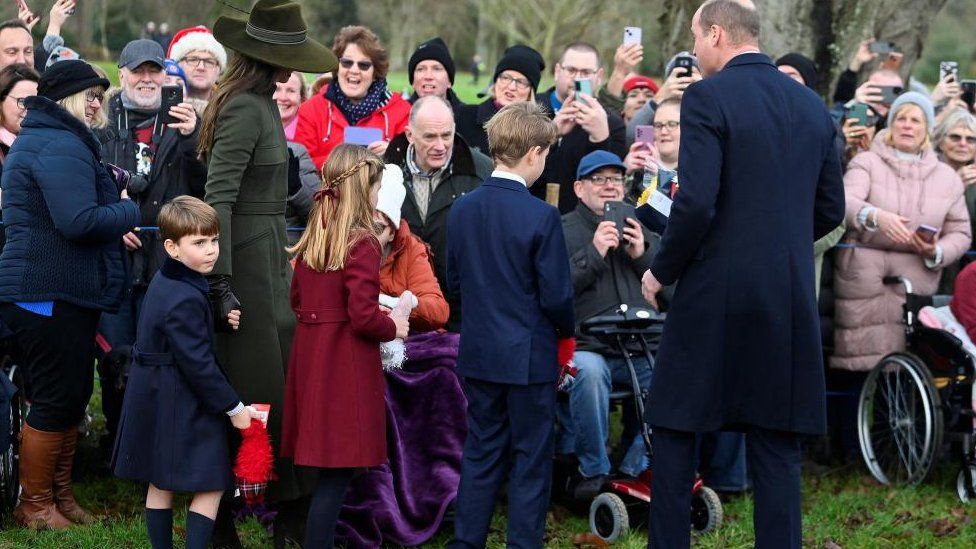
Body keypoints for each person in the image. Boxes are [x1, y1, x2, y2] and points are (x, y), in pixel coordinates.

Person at [639, 2, 845, 547]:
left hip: (713, 293)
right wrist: (776, 242)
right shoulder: (810, 106)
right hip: (787, 292)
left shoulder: (707, 96)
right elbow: (829, 209)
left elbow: (698, 202)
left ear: (715, 34)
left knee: (677, 425)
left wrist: (662, 270)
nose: (696, 51)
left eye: (696, 38)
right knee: (775, 438)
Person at [199, 1, 338, 545]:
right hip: (248, 267)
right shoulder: (244, 109)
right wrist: (220, 280)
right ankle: (238, 516)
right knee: (259, 390)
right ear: (266, 56)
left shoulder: (253, 103)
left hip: (267, 257)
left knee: (277, 387)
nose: (296, 71)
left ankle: (285, 515)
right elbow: (220, 197)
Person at [0, 59, 138, 530]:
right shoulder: (59, 143)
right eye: (90, 94)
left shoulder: (61, 139)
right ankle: (36, 506)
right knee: (57, 397)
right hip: (45, 291)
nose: (97, 101)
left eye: (101, 93)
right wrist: (127, 211)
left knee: (74, 392)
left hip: (64, 289)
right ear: (66, 99)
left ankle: (61, 496)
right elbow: (78, 221)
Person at [446, 102, 575, 548]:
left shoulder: (463, 210)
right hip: (528, 357)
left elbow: (454, 282)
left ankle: (467, 542)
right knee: (531, 458)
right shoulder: (541, 216)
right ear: (535, 154)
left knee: (480, 453)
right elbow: (557, 295)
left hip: (480, 351)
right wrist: (566, 333)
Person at [282, 145, 410, 548]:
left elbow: (298, 300)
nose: (378, 196)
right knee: (337, 473)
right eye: (375, 187)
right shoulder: (364, 242)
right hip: (343, 365)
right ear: (363, 189)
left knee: (327, 470)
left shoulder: (316, 232)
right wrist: (396, 324)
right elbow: (364, 315)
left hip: (312, 356)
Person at [112, 196, 257, 549]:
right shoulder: (185, 297)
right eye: (199, 243)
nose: (211, 251)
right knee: (212, 482)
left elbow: (176, 333)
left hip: (154, 392)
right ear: (172, 247)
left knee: (160, 482)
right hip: (180, 399)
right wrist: (235, 409)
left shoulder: (169, 281)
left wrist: (215, 320)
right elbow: (199, 365)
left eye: (214, 240)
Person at [93, 39, 202, 451]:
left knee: (159, 354)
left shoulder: (184, 122)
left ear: (166, 75)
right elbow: (85, 182)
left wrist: (192, 139)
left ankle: (157, 445)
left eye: (154, 70)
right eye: (137, 70)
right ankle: (117, 442)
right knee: (114, 357)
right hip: (112, 260)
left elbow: (204, 185)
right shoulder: (100, 121)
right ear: (121, 75)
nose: (146, 78)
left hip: (165, 262)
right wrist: (110, 220)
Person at [832, 93, 972, 371]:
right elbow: (844, 200)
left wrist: (937, 251)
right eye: (901, 118)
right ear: (891, 125)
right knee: (859, 366)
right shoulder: (867, 162)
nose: (908, 126)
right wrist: (874, 216)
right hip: (864, 277)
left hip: (916, 279)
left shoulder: (947, 178)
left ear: (927, 130)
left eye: (916, 120)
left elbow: (961, 232)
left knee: (911, 370)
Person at [558, 150, 655, 497]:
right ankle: (594, 473)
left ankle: (634, 470)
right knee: (588, 372)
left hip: (640, 347)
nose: (609, 187)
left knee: (676, 373)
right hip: (586, 347)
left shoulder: (639, 225)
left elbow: (672, 287)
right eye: (598, 180)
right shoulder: (562, 229)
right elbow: (553, 291)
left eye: (615, 178)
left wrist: (642, 253)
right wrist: (593, 254)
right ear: (579, 188)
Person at [384, 96, 492, 331]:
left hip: (463, 310)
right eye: (430, 137)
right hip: (401, 308)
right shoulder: (383, 172)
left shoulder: (482, 172)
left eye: (446, 135)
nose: (440, 145)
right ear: (410, 135)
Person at [294, 25, 411, 170]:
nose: (354, 70)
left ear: (375, 73)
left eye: (363, 65)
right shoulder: (311, 110)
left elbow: (414, 162)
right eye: (347, 62)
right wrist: (351, 160)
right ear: (337, 67)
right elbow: (303, 166)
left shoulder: (402, 111)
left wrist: (392, 152)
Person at [536, 42, 627, 213]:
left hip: (579, 221)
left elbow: (608, 185)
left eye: (585, 73)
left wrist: (600, 139)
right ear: (557, 71)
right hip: (532, 209)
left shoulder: (612, 123)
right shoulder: (531, 109)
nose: (577, 78)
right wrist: (551, 134)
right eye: (571, 70)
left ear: (599, 76)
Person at [374, 165, 449, 331]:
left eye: (377, 229)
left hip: (407, 343)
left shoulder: (410, 249)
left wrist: (397, 304)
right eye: (360, 226)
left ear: (392, 232)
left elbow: (438, 310)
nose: (368, 236)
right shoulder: (339, 248)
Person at [455, 44, 545, 155]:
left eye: (521, 82)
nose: (511, 87)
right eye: (506, 78)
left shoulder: (537, 132)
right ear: (495, 81)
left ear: (531, 91)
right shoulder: (464, 116)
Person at [933, 108, 976, 293]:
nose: (963, 144)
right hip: (933, 265)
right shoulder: (926, 171)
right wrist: (956, 186)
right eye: (955, 137)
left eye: (971, 139)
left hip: (968, 270)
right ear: (941, 142)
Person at [273, 71, 320, 237]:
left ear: (302, 99)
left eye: (291, 91)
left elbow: (319, 211)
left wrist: (296, 187)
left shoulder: (302, 147)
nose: (282, 97)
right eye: (277, 89)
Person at [626, 51, 703, 144]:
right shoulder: (659, 111)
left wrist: (706, 92)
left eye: (690, 75)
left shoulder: (708, 105)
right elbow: (631, 137)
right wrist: (657, 99)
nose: (683, 80)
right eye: (677, 76)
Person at [167, 26, 227, 115]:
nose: (201, 67)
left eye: (209, 62)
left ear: (219, 70)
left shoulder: (229, 107)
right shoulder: (157, 104)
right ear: (177, 66)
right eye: (193, 60)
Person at [408, 37, 465, 112]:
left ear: (449, 81)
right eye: (420, 69)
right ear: (413, 82)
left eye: (437, 69)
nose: (428, 76)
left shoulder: (469, 119)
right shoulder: (397, 117)